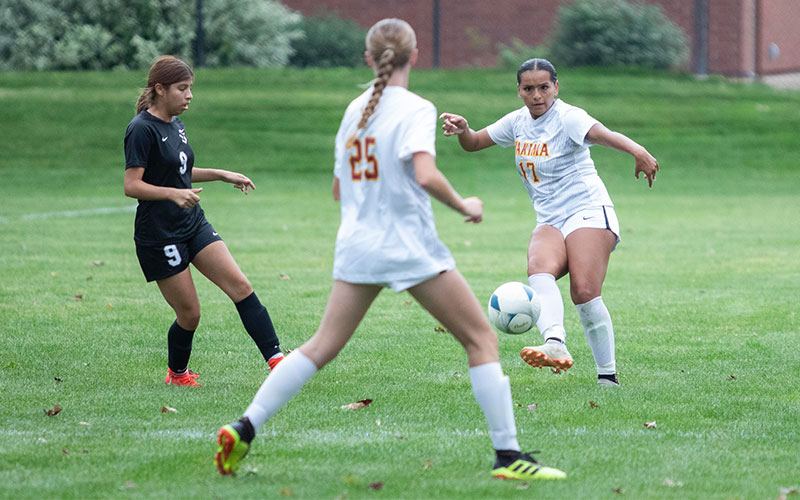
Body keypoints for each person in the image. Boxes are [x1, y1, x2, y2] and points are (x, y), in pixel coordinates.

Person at [214, 20, 565, 481]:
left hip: (358, 245)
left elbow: (340, 187)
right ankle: (508, 457)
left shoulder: (354, 110)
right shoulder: (416, 107)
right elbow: (424, 174)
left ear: (369, 58)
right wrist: (464, 204)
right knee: (481, 339)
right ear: (414, 56)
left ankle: (245, 427)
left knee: (319, 347)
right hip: (408, 246)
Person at [440, 58, 659, 387]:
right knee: (538, 265)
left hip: (587, 209)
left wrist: (637, 151)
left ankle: (608, 377)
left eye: (544, 87)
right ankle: (555, 343)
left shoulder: (568, 117)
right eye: (529, 88)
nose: (537, 94)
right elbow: (473, 143)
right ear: (519, 91)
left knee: (583, 292)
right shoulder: (517, 123)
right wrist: (464, 130)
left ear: (556, 87)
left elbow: (603, 135)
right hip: (551, 218)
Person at [123, 55, 284, 387]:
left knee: (240, 286)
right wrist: (172, 194)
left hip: (191, 222)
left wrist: (221, 174)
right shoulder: (141, 129)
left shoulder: (176, 124)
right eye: (182, 88)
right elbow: (132, 185)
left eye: (190, 88)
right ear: (160, 89)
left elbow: (178, 171)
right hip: (160, 234)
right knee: (190, 315)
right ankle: (177, 374)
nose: (189, 95)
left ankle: (278, 363)